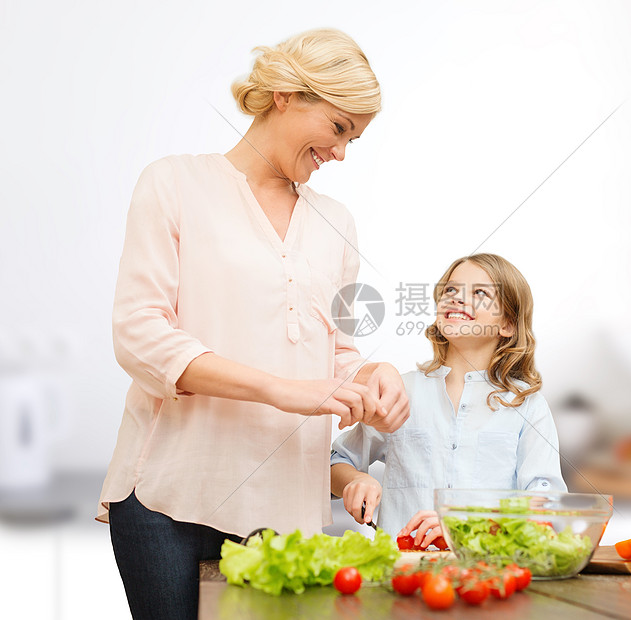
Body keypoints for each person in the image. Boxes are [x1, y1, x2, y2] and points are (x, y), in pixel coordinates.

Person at [98, 28, 409, 620]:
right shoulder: (174, 183)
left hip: (285, 508)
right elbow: (140, 335)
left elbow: (336, 351)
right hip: (172, 495)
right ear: (287, 94)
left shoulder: (335, 221)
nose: (342, 153)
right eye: (339, 128)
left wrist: (376, 373)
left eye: (355, 139)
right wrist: (279, 390)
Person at [330, 253, 567, 547]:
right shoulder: (400, 391)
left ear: (506, 324)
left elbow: (547, 504)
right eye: (450, 290)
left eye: (480, 292)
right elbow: (336, 461)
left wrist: (470, 526)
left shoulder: (525, 404)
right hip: (403, 572)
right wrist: (354, 480)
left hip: (486, 574)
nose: (456, 298)